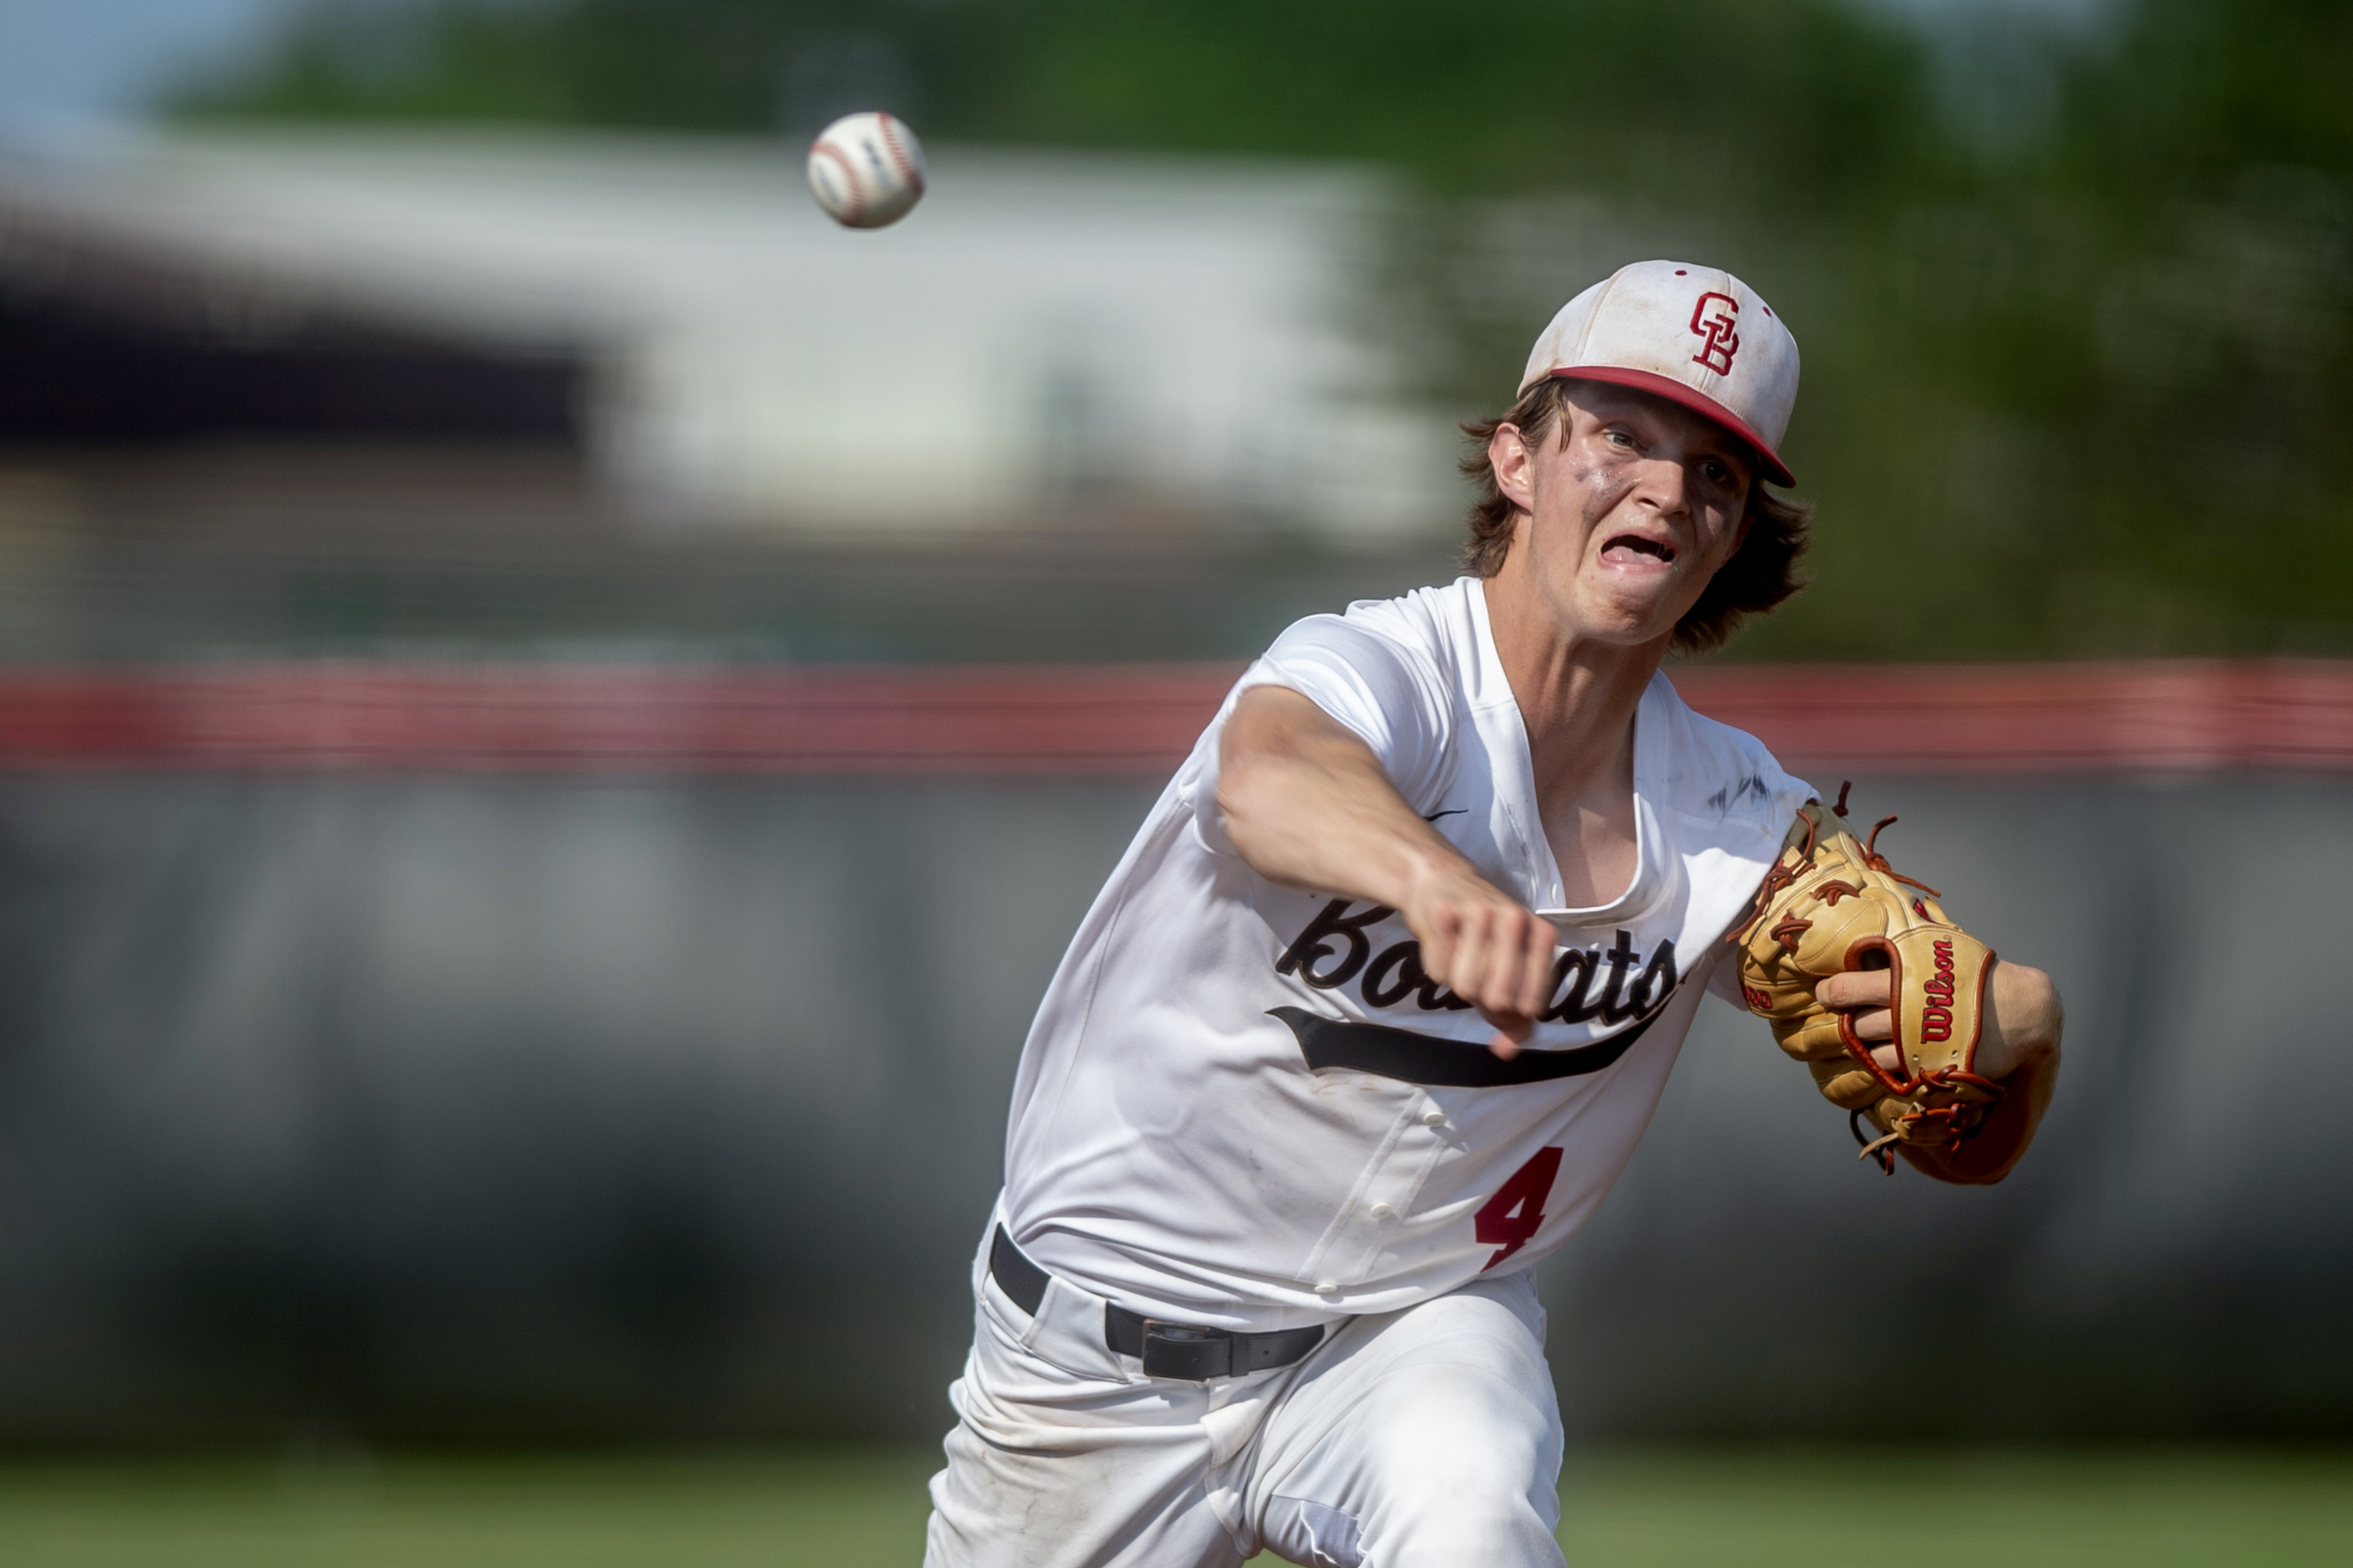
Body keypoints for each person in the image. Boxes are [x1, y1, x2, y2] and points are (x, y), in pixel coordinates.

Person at [923, 259, 2064, 1568]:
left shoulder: (1737, 825)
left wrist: (2025, 1029)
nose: (1665, 490)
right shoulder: (1384, 668)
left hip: (1410, 1333)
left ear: (1738, 531)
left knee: (1473, 1508)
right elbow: (1272, 774)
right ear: (1519, 458)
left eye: (1716, 473)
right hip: (1096, 1356)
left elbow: (1965, 1134)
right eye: (1622, 436)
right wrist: (1431, 877)